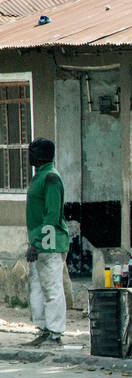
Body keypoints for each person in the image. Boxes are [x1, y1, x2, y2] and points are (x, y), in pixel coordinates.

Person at [24, 137, 69, 347]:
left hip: (49, 243)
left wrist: (38, 244)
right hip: (40, 242)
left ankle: (55, 333)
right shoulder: (40, 176)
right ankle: (43, 329)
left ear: (42, 156)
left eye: (32, 152)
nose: (29, 156)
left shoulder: (51, 178)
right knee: (38, 288)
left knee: (52, 287)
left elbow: (52, 215)